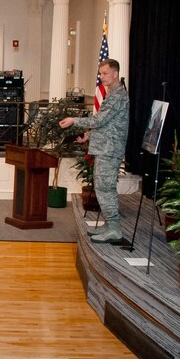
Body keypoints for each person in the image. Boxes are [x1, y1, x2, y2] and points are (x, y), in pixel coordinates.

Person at [59, 58, 130, 244]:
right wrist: (88, 136)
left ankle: (114, 229)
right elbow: (108, 124)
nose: (102, 76)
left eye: (105, 73)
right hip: (105, 146)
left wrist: (75, 120)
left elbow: (100, 120)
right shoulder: (113, 93)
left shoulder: (117, 96)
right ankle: (110, 226)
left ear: (115, 74)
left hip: (109, 149)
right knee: (104, 188)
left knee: (105, 189)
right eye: (101, 73)